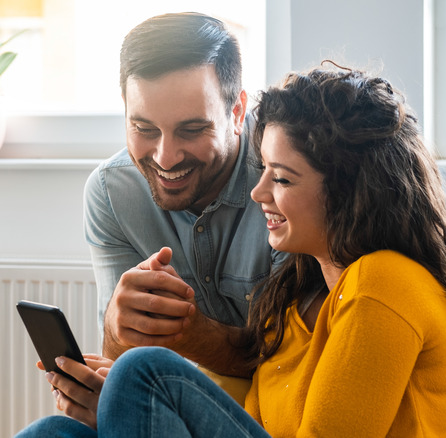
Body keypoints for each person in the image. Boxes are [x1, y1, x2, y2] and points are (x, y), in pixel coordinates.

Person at [16, 65, 446, 436]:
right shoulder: (301, 301)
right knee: (54, 433)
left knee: (145, 370)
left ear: (349, 192)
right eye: (262, 169)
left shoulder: (385, 283)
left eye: (282, 178)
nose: (259, 192)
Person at [36, 11, 284, 428]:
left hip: (269, 415)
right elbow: (120, 358)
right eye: (144, 128)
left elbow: (294, 365)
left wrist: (191, 335)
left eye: (191, 129)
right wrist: (111, 349)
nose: (165, 157)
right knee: (53, 429)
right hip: (176, 410)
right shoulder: (112, 194)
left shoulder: (283, 176)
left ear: (238, 110)